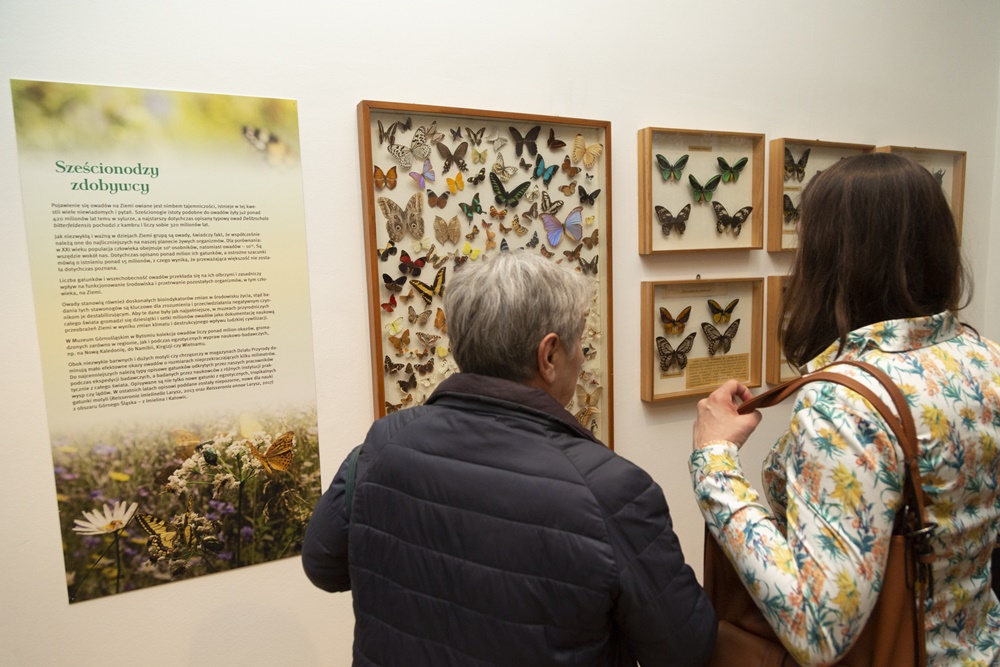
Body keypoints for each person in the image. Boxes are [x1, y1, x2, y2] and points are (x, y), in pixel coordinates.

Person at [304, 251, 717, 666]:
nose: (581, 357)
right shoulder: (610, 491)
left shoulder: (383, 443)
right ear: (549, 356)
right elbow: (687, 649)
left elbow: (323, 562)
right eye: (580, 343)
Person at [689, 152, 1000, 665]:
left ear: (830, 259)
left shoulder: (845, 402)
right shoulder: (984, 358)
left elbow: (818, 631)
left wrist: (714, 462)